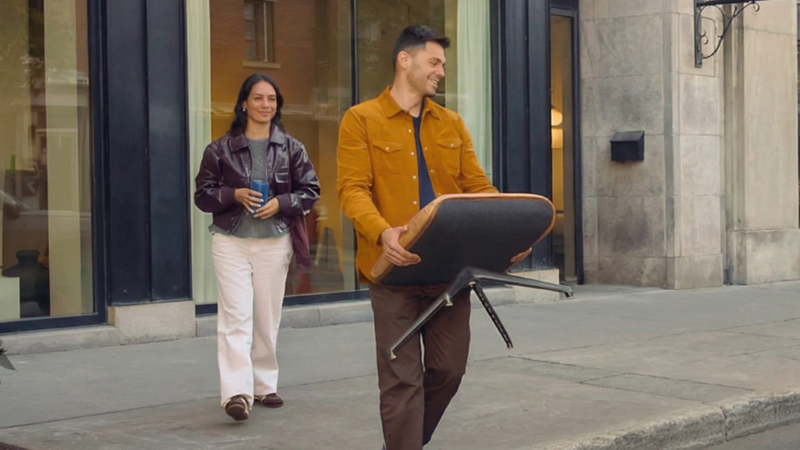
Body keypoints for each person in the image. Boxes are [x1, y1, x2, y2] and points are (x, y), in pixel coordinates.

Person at [336, 26, 530, 449]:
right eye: (434, 62)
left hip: (449, 273)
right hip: (393, 271)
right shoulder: (361, 119)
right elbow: (352, 189)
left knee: (448, 370)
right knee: (401, 379)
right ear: (404, 60)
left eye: (443, 64)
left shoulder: (451, 123)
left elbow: (477, 186)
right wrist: (382, 232)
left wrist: (507, 228)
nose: (441, 71)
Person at [195, 73, 320, 421]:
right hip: (230, 241)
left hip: (274, 241)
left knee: (266, 318)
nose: (266, 105)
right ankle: (236, 393)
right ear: (244, 104)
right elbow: (202, 195)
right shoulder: (219, 149)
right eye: (258, 98)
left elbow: (311, 190)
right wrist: (232, 194)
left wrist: (281, 203)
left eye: (272, 99)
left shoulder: (291, 147)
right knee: (235, 318)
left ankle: (264, 385)